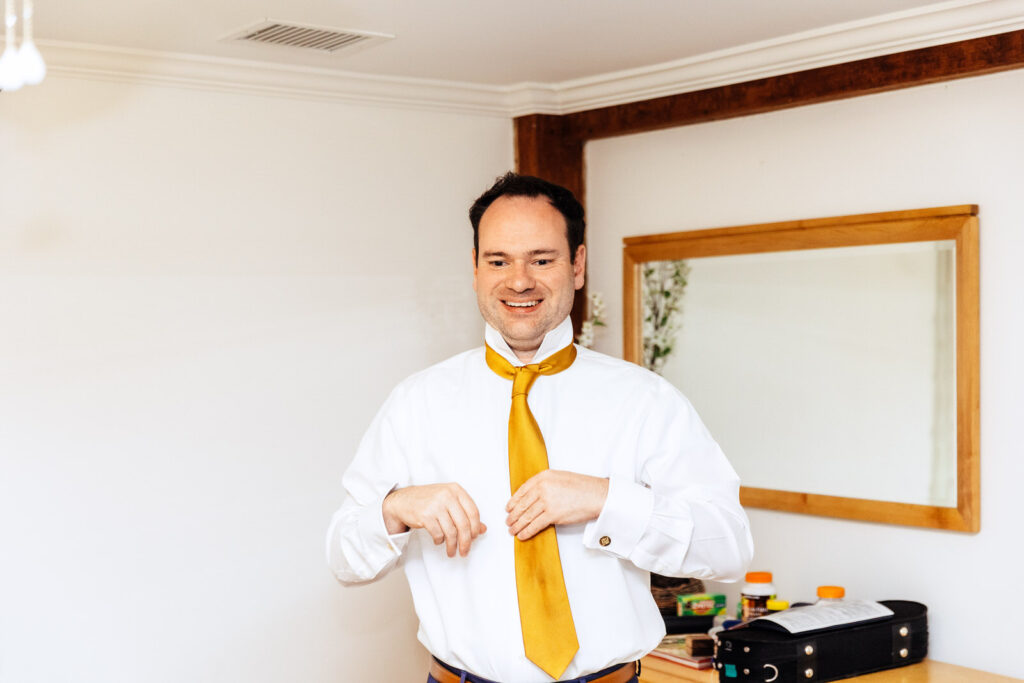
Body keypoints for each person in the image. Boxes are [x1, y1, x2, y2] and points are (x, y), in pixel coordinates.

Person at [326, 172, 753, 683]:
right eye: (499, 260)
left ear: (577, 265)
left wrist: (605, 499)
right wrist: (394, 509)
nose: (519, 280)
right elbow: (344, 557)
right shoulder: (415, 403)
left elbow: (728, 545)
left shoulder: (645, 400)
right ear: (476, 268)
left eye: (541, 259)